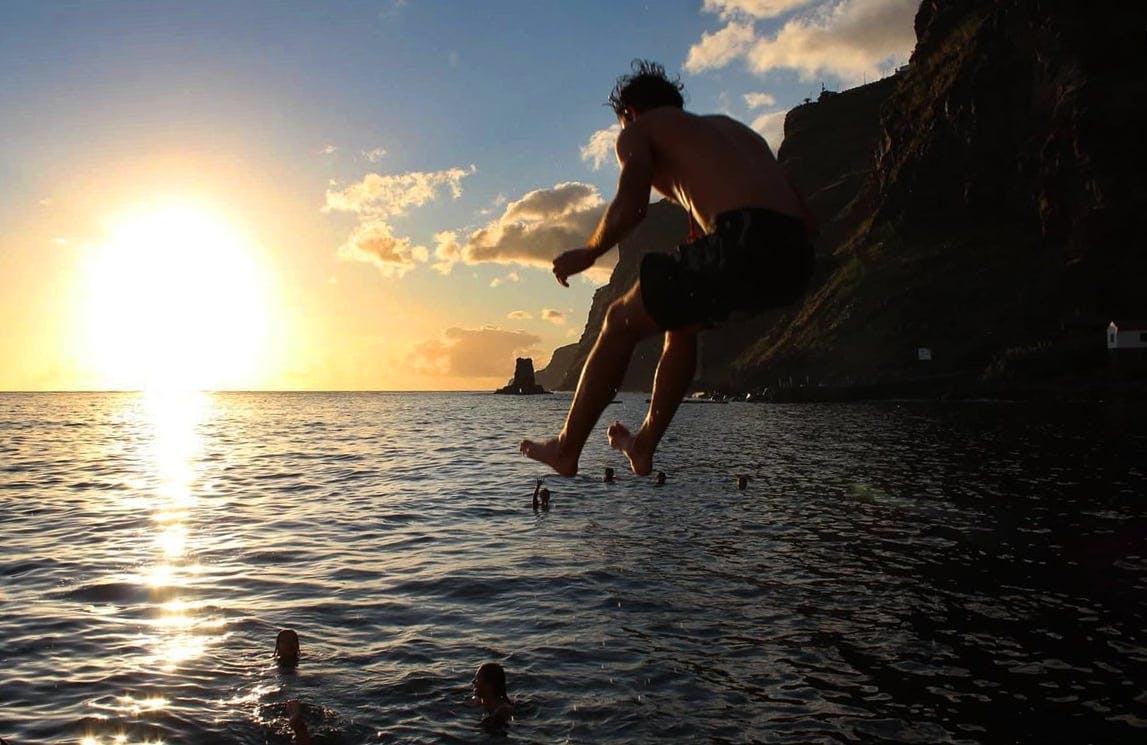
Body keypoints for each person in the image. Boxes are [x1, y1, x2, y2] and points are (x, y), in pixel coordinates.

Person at [519, 60, 815, 477]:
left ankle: (567, 448)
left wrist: (588, 252)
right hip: (796, 258)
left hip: (743, 239)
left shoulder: (640, 129)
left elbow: (632, 205)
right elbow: (801, 214)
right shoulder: (733, 132)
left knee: (619, 319)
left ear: (630, 112)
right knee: (682, 321)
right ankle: (643, 444)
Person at [471, 662, 514, 729]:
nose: (473, 682)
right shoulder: (476, 701)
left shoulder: (503, 711)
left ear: (488, 685)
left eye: (477, 679)